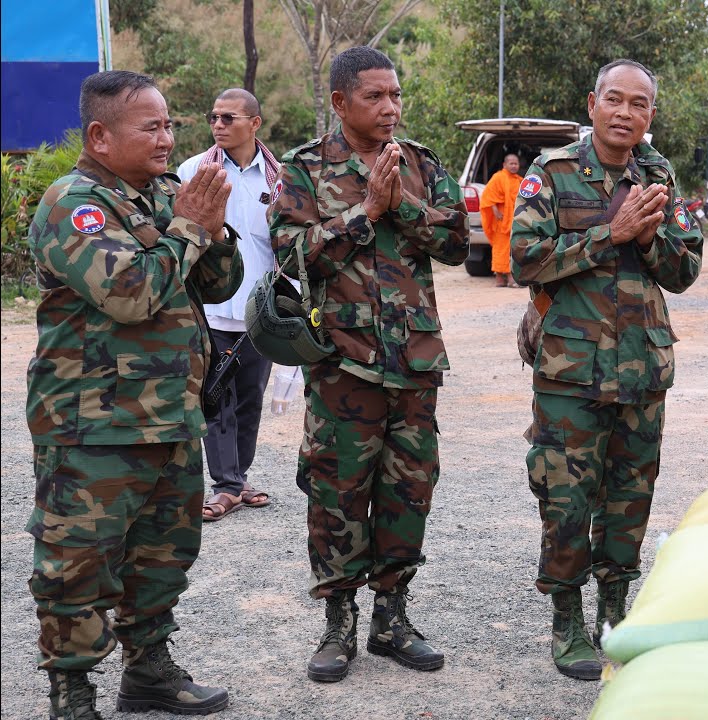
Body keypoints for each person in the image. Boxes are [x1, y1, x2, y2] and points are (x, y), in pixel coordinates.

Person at [26, 70, 240, 718]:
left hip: (170, 417)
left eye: (170, 124)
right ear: (100, 135)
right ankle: (72, 693)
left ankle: (148, 670)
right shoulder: (74, 202)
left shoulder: (167, 195)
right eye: (151, 126)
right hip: (92, 427)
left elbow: (221, 284)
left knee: (162, 558)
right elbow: (130, 293)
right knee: (79, 568)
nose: (167, 137)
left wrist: (214, 228)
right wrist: (191, 230)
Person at [268, 46, 469, 683]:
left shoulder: (420, 164)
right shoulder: (304, 169)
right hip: (343, 366)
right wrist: (366, 214)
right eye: (375, 96)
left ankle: (392, 616)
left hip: (414, 361)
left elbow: (460, 243)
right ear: (339, 103)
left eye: (396, 95)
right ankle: (338, 623)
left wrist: (403, 206)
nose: (390, 108)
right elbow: (294, 256)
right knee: (336, 493)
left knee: (409, 490)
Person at [509, 58, 703, 680]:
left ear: (651, 113)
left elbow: (685, 270)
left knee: (629, 500)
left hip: (643, 368)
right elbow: (525, 260)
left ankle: (613, 614)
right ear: (592, 103)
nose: (624, 113)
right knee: (566, 500)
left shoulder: (659, 173)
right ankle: (567, 620)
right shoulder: (554, 171)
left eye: (638, 104)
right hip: (570, 371)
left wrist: (648, 241)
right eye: (614, 100)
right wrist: (612, 234)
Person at [176, 88, 280, 521]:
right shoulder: (192, 171)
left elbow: (282, 245)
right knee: (216, 399)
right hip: (213, 307)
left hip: (261, 312)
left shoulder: (279, 177)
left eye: (229, 118)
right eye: (214, 117)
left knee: (250, 399)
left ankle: (237, 477)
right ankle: (225, 485)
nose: (218, 124)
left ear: (254, 124)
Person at [480, 153, 523, 287]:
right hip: (501, 219)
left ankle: (504, 277)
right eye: (511, 163)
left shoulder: (519, 180)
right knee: (501, 248)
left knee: (512, 248)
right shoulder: (498, 177)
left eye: (516, 163)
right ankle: (506, 278)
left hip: (515, 219)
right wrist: (495, 210)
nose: (514, 166)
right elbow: (488, 195)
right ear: (504, 165)